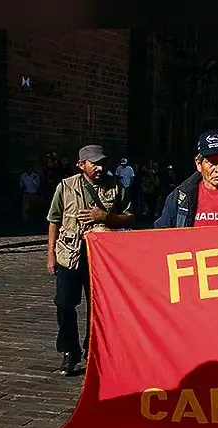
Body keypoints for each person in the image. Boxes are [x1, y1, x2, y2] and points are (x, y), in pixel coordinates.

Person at [46, 144, 133, 374]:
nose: (99, 168)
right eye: (94, 163)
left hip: (102, 258)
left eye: (102, 163)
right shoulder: (66, 187)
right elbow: (54, 220)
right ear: (81, 164)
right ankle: (69, 350)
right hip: (70, 254)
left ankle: (93, 351)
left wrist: (105, 216)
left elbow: (130, 218)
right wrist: (51, 255)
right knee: (64, 304)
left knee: (98, 308)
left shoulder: (116, 187)